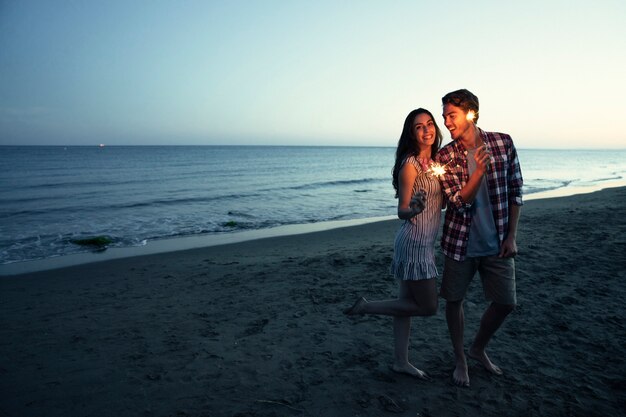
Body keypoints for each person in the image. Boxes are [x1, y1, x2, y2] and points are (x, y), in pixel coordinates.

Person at [344, 108, 443, 380]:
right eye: (419, 127)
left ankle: (401, 361)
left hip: (423, 241)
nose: (426, 130)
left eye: (430, 124)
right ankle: (366, 307)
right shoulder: (410, 165)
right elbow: (401, 210)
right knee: (428, 307)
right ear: (411, 134)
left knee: (404, 305)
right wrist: (414, 208)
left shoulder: (436, 162)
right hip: (414, 242)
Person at [434, 89, 523, 387]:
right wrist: (478, 174)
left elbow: (516, 189)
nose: (446, 122)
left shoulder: (503, 142)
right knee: (454, 300)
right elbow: (458, 203)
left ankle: (477, 348)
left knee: (506, 303)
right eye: (444, 115)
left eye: (452, 115)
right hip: (459, 243)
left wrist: (511, 236)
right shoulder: (444, 156)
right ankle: (460, 358)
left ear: (471, 113)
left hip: (497, 242)